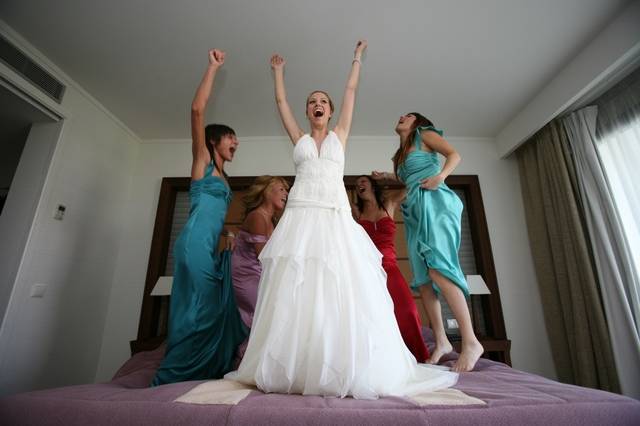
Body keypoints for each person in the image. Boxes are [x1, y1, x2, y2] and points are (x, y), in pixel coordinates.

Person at [225, 42, 458, 399]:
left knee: (341, 288)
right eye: (311, 102)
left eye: (322, 101)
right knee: (296, 291)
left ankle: (342, 362)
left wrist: (356, 60)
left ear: (331, 111)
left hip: (333, 217)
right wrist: (277, 74)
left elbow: (350, 90)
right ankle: (298, 363)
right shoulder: (299, 138)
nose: (317, 105)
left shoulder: (340, 135)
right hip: (302, 219)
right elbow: (281, 105)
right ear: (308, 112)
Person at [152, 49, 247, 386]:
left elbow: (215, 220)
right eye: (231, 137)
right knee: (204, 308)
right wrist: (212, 67)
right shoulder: (202, 162)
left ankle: (196, 370)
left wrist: (228, 239)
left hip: (206, 246)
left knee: (212, 308)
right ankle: (175, 373)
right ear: (213, 141)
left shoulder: (224, 177)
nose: (236, 142)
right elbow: (196, 110)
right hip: (193, 242)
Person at [373, 112, 484, 372]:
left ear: (417, 122)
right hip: (414, 213)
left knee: (440, 269)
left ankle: (470, 342)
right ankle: (442, 341)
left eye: (408, 116)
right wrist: (388, 178)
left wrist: (442, 176)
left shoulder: (425, 134)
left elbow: (454, 155)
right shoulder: (400, 154)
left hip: (436, 204)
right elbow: (408, 179)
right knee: (424, 279)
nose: (401, 117)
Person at [352, 175, 429, 363]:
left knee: (408, 310)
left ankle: (418, 356)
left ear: (372, 185)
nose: (359, 185)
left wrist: (389, 176)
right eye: (357, 184)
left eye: (363, 181)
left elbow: (413, 184)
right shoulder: (355, 211)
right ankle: (384, 357)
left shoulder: (389, 203)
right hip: (367, 270)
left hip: (390, 267)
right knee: (373, 315)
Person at [232, 176, 289, 344]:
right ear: (266, 193)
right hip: (246, 274)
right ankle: (247, 355)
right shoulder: (257, 217)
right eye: (281, 189)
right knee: (262, 313)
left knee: (273, 311)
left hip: (260, 273)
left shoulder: (273, 219)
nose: (286, 194)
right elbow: (264, 257)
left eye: (286, 190)